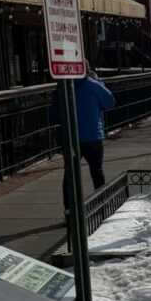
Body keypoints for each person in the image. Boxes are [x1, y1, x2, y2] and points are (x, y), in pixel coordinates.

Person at [51, 63, 116, 204]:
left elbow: (55, 114)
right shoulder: (94, 85)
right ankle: (101, 204)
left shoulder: (63, 87)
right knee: (97, 171)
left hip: (71, 137)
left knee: (70, 174)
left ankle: (69, 209)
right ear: (87, 69)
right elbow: (110, 102)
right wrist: (99, 82)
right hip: (93, 135)